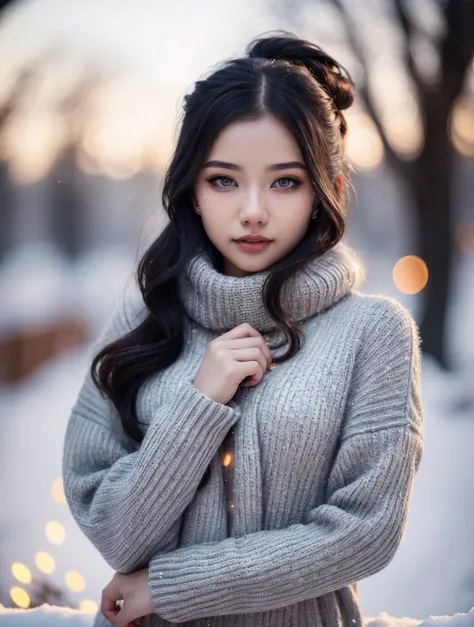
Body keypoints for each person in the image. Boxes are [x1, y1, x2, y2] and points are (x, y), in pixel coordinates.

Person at [62, 31, 424, 627]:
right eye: (224, 180)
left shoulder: (373, 333)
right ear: (192, 192)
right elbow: (113, 531)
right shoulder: (141, 320)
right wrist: (198, 403)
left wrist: (174, 586)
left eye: (285, 181)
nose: (252, 209)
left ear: (325, 192)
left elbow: (366, 531)